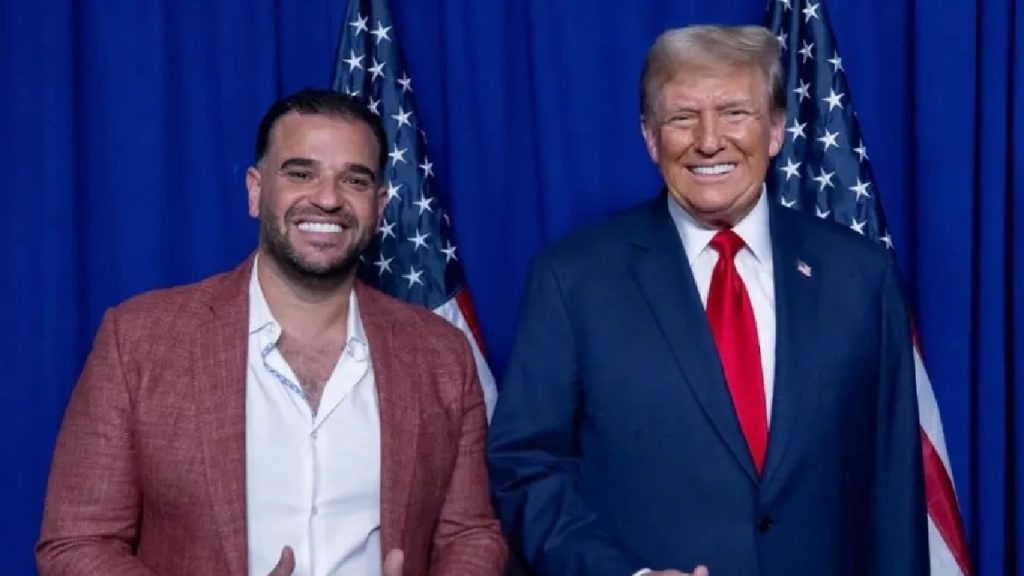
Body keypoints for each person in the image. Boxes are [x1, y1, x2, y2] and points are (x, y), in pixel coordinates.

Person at [487, 25, 927, 576]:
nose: (709, 140)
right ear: (650, 137)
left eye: (735, 112)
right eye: (682, 117)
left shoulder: (860, 276)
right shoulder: (571, 279)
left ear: (775, 129)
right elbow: (526, 467)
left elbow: (894, 485)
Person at [37, 89, 507, 576]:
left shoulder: (441, 354)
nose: (328, 198)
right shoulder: (138, 341)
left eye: (354, 179)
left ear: (380, 204)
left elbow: (470, 533)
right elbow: (77, 541)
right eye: (301, 173)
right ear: (255, 191)